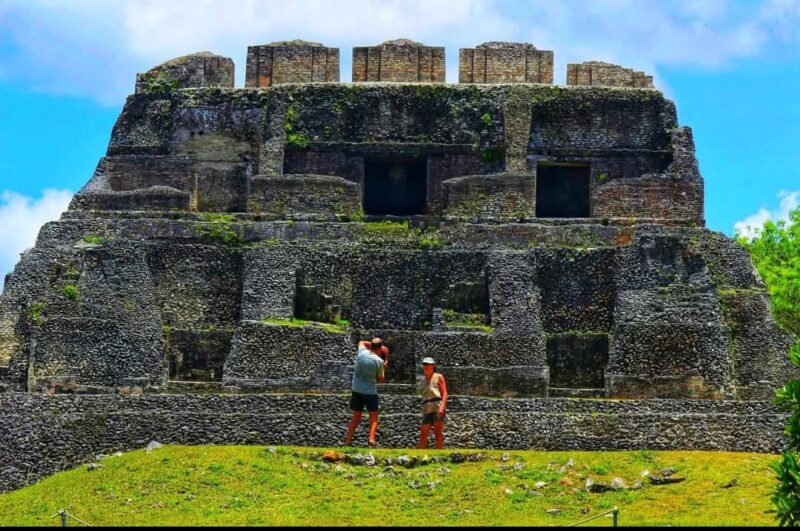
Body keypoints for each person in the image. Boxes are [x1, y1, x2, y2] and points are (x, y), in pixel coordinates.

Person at [345, 337, 389, 447]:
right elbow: (380, 379)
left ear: (371, 346)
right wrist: (384, 368)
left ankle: (349, 440)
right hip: (369, 391)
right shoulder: (379, 361)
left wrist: (374, 344)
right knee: (374, 417)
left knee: (356, 415)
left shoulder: (362, 353)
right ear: (380, 348)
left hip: (356, 389)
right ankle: (371, 439)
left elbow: (361, 342)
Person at [418, 357, 447, 449]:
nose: (426, 366)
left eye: (428, 364)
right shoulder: (423, 381)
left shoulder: (438, 376)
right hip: (427, 407)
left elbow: (444, 393)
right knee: (423, 433)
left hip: (437, 405)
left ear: (433, 366)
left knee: (438, 433)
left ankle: (440, 452)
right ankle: (419, 453)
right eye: (424, 364)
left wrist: (442, 407)